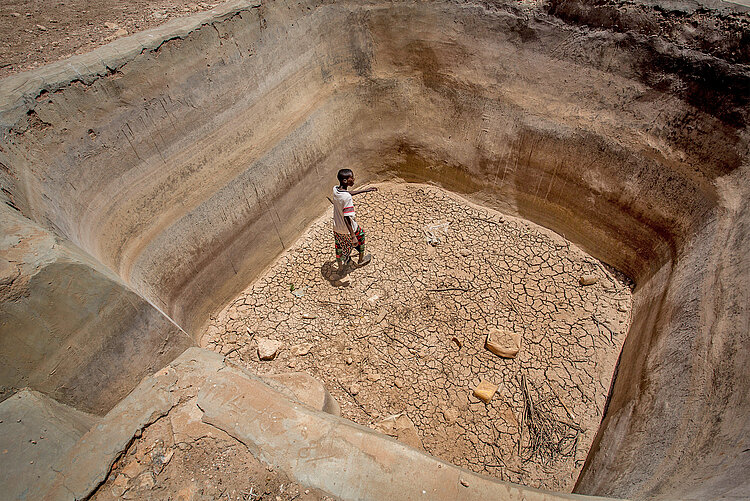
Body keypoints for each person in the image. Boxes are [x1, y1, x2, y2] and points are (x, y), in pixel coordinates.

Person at [332, 169, 377, 271]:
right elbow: (347, 218)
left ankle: (340, 267)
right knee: (361, 236)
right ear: (344, 181)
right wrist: (353, 236)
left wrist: (365, 190)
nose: (353, 180)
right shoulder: (347, 198)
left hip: (336, 227)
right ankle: (360, 260)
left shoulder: (335, 189)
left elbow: (347, 193)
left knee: (339, 245)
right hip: (348, 229)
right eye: (351, 178)